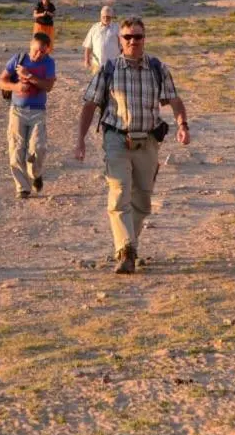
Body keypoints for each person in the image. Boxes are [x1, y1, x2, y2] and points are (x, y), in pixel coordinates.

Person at [73, 17, 190, 274]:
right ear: (120, 41)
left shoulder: (158, 69)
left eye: (138, 37)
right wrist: (80, 139)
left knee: (143, 200)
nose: (133, 42)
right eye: (128, 37)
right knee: (119, 193)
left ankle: (129, 246)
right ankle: (126, 249)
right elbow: (90, 105)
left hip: (148, 141)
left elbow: (174, 99)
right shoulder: (109, 70)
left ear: (144, 39)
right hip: (117, 139)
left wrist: (183, 125)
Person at [0, 32, 56, 198]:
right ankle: (22, 188)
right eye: (36, 50)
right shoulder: (19, 59)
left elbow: (48, 86)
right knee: (16, 149)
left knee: (39, 148)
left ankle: (35, 174)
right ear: (31, 45)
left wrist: (29, 76)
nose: (38, 55)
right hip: (17, 110)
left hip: (38, 111)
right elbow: (0, 81)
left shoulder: (49, 63)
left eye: (43, 52)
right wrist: (16, 87)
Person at [82, 4, 120, 74]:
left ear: (111, 17)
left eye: (108, 17)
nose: (105, 19)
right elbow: (88, 46)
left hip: (113, 63)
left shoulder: (117, 28)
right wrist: (86, 60)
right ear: (100, 17)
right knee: (98, 83)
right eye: (104, 17)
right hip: (97, 64)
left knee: (112, 83)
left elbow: (122, 46)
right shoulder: (94, 28)